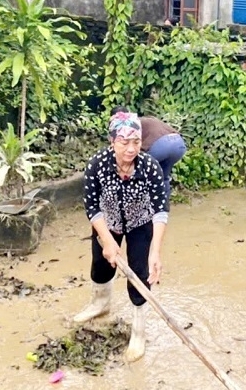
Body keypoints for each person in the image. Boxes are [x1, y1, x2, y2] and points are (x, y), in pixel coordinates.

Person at [73, 111, 168, 363]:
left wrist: (155, 252)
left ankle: (138, 332)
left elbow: (160, 210)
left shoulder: (150, 167)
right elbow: (92, 206)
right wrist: (106, 239)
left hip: (140, 224)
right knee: (101, 266)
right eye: (124, 142)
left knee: (139, 274)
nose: (130, 148)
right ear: (112, 141)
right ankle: (100, 304)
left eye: (135, 142)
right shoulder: (97, 165)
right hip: (108, 222)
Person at [111, 106, 186, 208]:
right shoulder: (148, 119)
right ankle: (162, 207)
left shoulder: (128, 124)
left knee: (138, 172)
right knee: (163, 176)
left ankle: (136, 206)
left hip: (161, 146)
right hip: (178, 145)